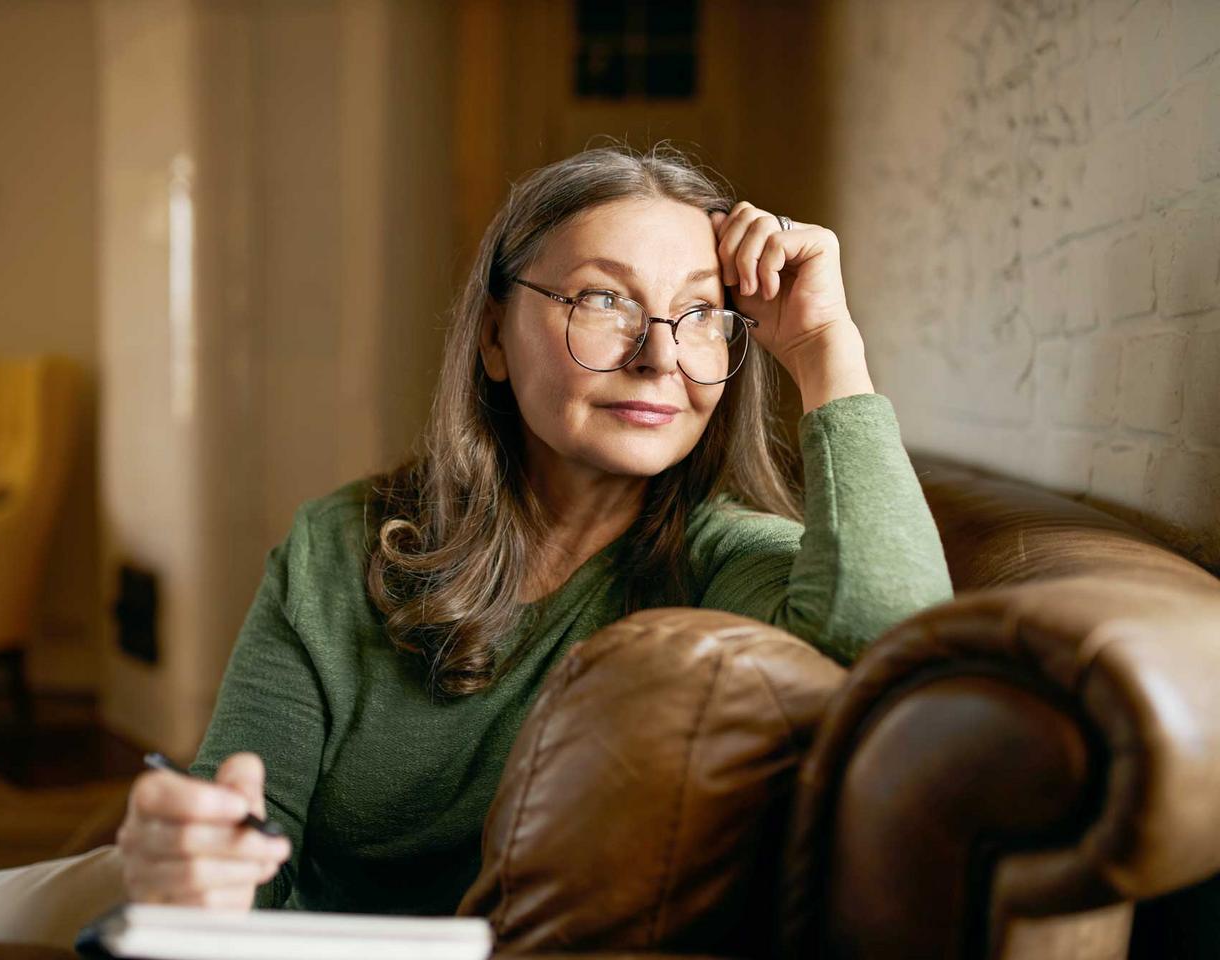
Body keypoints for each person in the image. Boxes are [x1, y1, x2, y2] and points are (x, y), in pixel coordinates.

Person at [116, 142, 954, 916]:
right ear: (492, 336)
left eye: (700, 314)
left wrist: (822, 346)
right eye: (603, 300)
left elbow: (895, 653)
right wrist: (193, 864)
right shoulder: (340, 546)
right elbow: (244, 844)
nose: (660, 358)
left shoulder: (730, 561)